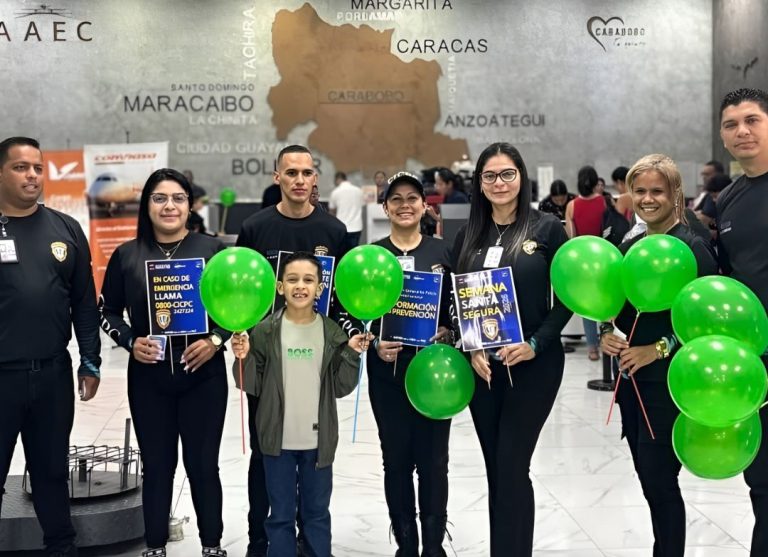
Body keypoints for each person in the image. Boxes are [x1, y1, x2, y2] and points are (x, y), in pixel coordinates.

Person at [99, 168, 231, 557]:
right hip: (149, 379)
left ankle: (212, 545)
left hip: (204, 376)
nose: (169, 206)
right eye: (159, 198)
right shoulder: (127, 255)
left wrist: (215, 340)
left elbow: (236, 309)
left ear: (190, 205)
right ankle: (154, 546)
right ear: (147, 205)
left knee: (203, 466)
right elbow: (107, 311)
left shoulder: (212, 250)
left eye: (178, 198)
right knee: (157, 467)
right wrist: (129, 341)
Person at [451, 142, 572, 556]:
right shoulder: (468, 235)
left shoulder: (547, 228)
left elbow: (569, 298)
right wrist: (471, 347)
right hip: (483, 369)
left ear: (521, 176)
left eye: (507, 174)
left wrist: (536, 343)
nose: (499, 183)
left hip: (534, 364)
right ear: (479, 183)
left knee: (512, 466)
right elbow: (457, 301)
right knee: (497, 471)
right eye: (489, 176)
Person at [600, 154, 717, 557]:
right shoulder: (630, 247)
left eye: (657, 191)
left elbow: (708, 324)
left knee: (661, 482)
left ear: (675, 194)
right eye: (640, 191)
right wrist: (606, 334)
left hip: (671, 384)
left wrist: (659, 348)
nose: (647, 199)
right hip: (631, 384)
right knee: (649, 482)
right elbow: (612, 308)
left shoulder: (693, 248)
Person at [237, 144, 347, 557]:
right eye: (291, 172)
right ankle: (261, 539)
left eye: (306, 172)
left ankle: (309, 539)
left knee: (313, 454)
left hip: (315, 363)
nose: (299, 180)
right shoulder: (255, 228)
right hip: (269, 363)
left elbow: (341, 300)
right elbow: (242, 291)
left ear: (315, 177)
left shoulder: (334, 231)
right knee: (265, 455)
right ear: (277, 177)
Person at [231, 252, 370, 557]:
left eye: (308, 280)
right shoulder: (265, 331)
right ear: (280, 287)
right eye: (292, 279)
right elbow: (250, 383)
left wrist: (351, 354)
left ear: (320, 288)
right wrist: (244, 357)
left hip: (318, 442)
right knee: (280, 515)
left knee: (316, 513)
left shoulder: (332, 333)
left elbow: (342, 387)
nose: (300, 286)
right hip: (276, 441)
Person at [0, 137, 101, 557]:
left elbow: (84, 302)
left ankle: (61, 548)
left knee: (52, 473)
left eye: (38, 168)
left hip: (53, 375)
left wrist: (90, 361)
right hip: (2, 378)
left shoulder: (66, 229)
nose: (33, 176)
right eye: (21, 167)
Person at [367, 171, 455, 556]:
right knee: (396, 460)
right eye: (396, 199)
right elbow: (352, 311)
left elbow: (458, 308)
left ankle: (434, 545)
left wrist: (449, 331)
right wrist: (374, 340)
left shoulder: (443, 253)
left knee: (435, 462)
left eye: (412, 198)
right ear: (385, 207)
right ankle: (406, 543)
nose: (405, 205)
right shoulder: (373, 256)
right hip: (387, 373)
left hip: (435, 375)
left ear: (424, 205)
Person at [716, 87, 768, 556]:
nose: (742, 131)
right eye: (731, 124)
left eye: (752, 120)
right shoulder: (728, 199)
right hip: (754, 359)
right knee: (762, 475)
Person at [565, 165, 606, 360]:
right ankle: (607, 342)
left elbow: (571, 237)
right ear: (596, 182)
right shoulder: (604, 202)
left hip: (583, 261)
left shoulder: (572, 205)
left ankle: (592, 348)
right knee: (606, 302)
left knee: (587, 304)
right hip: (604, 258)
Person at [328, 171, 362, 251]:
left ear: (337, 179)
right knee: (353, 253)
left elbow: (331, 212)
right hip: (356, 227)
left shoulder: (335, 192)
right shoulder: (358, 190)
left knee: (341, 254)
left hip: (341, 228)